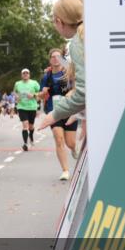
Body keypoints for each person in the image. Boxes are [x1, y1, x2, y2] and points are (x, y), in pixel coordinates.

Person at [37, 0, 87, 132]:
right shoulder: (87, 35)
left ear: (59, 21)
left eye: (54, 21)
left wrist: (54, 115)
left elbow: (83, 92)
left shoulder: (77, 43)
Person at [40, 49, 78, 181]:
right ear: (50, 60)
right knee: (59, 139)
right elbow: (40, 95)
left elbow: (77, 87)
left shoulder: (68, 73)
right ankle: (65, 170)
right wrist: (42, 93)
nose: (56, 59)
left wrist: (71, 92)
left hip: (69, 110)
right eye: (53, 57)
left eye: (58, 56)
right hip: (54, 111)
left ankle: (73, 149)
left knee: (70, 142)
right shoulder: (46, 77)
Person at [14, 68, 41, 151]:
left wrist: (33, 95)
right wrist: (16, 97)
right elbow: (15, 92)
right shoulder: (17, 83)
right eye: (24, 73)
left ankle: (31, 136)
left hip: (32, 107)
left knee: (31, 126)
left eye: (27, 73)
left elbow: (40, 93)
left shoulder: (34, 83)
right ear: (21, 75)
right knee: (25, 125)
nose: (25, 75)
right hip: (22, 107)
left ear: (29, 75)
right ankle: (25, 143)